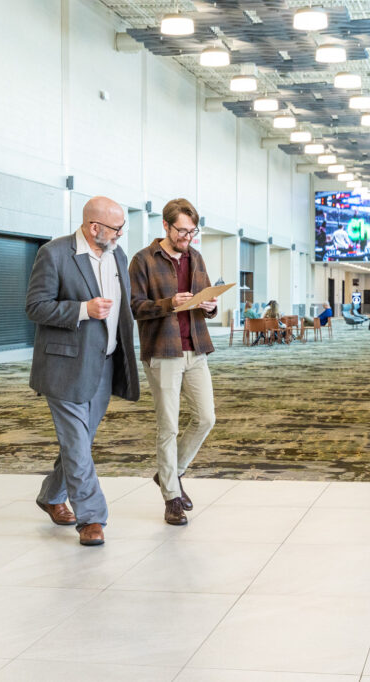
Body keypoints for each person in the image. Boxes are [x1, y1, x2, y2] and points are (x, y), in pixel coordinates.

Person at [25, 196, 140, 547]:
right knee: (76, 443)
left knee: (80, 443)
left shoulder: (116, 255)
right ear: (94, 228)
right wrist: (82, 309)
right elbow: (35, 306)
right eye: (116, 229)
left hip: (104, 364)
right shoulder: (55, 253)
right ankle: (92, 517)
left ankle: (51, 494)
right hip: (64, 365)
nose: (121, 235)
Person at [129, 198, 218, 526]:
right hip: (163, 351)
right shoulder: (143, 260)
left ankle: (171, 473)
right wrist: (168, 303)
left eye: (192, 231)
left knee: (206, 417)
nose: (188, 237)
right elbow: (135, 307)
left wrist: (209, 306)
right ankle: (171, 497)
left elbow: (207, 297)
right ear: (166, 226)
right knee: (168, 426)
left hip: (195, 348)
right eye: (182, 231)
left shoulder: (196, 257)